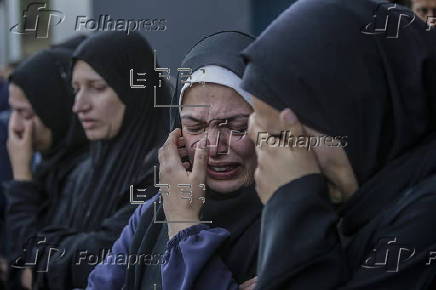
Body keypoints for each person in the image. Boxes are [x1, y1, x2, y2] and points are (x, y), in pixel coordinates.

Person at [240, 0, 436, 289]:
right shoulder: (363, 210)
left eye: (285, 138)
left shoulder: (425, 221)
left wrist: (293, 208)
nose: (277, 161)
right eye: (266, 142)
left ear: (358, 115)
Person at [86, 31, 263, 290]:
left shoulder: (293, 227)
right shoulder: (153, 213)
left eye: (236, 126)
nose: (213, 147)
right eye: (195, 126)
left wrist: (184, 224)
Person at [7, 31, 170, 289]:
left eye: (97, 88)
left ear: (133, 90)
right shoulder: (85, 171)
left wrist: (47, 262)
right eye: (75, 90)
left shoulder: (164, 173)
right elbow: (32, 259)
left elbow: (98, 261)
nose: (79, 105)